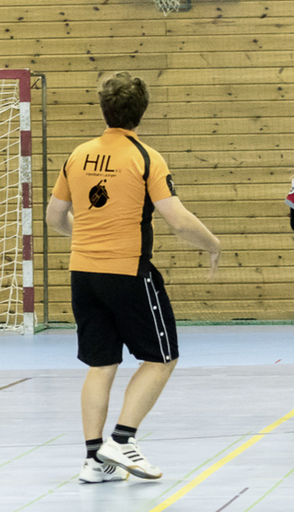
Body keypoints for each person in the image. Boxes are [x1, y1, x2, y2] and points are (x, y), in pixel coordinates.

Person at [46, 72, 221, 483]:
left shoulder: (78, 155)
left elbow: (55, 216)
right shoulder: (145, 157)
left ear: (103, 108)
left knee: (101, 364)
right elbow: (177, 220)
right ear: (141, 111)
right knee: (162, 358)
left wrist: (89, 237)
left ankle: (94, 460)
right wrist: (212, 245)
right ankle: (122, 442)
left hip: (82, 273)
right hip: (128, 272)